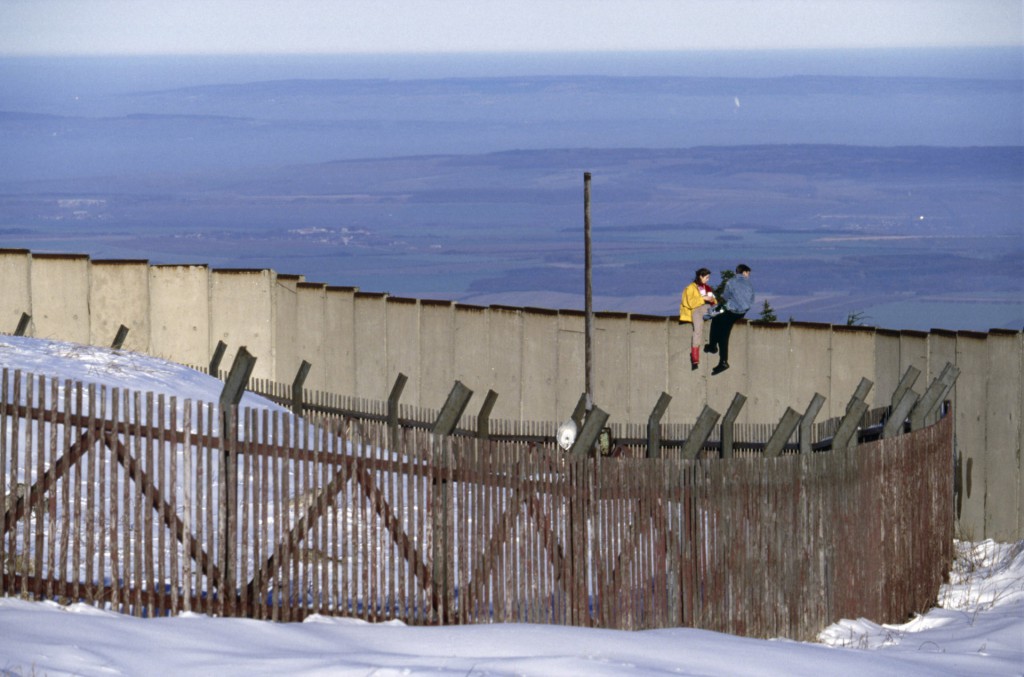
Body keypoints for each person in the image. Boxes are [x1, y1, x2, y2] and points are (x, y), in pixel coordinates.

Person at [705, 264, 754, 375]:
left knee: (716, 320)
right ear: (744, 272)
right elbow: (752, 300)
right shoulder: (749, 285)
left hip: (730, 310)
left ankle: (716, 350)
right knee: (719, 318)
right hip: (741, 313)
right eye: (748, 273)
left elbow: (726, 297)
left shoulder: (731, 282)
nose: (749, 276)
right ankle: (714, 348)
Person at [678, 268, 717, 370]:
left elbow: (714, 301)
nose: (708, 279)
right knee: (698, 330)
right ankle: (695, 356)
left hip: (707, 309)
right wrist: (703, 298)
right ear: (701, 276)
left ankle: (698, 354)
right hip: (697, 311)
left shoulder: (707, 288)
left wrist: (711, 300)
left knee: (720, 312)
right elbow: (690, 303)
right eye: (707, 277)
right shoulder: (690, 288)